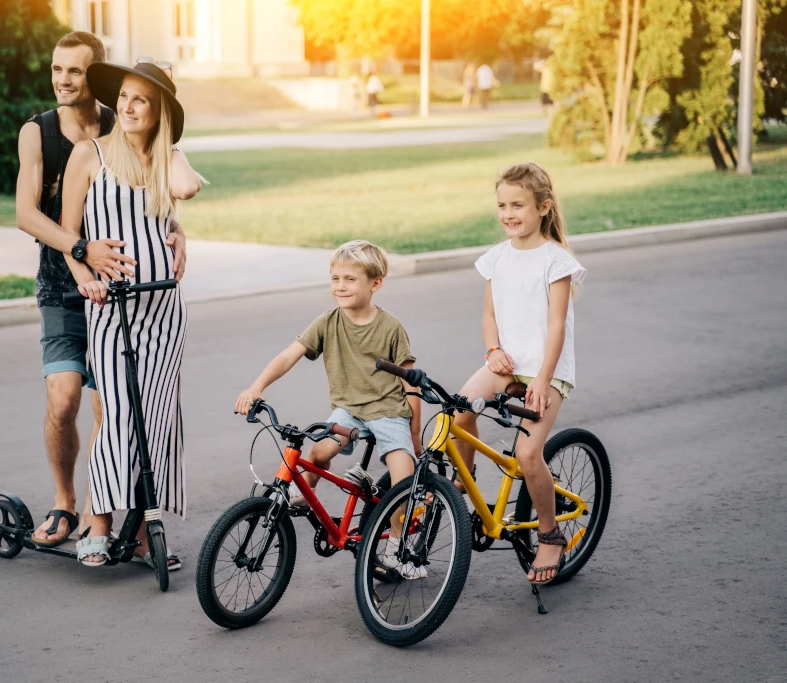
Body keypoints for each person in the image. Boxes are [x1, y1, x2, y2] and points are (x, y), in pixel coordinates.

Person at [15, 32, 189, 547]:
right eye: (56, 69)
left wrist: (177, 232)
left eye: (74, 71)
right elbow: (26, 215)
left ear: (96, 78)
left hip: (125, 292)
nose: (62, 80)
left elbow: (157, 194)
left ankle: (107, 517)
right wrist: (81, 252)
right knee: (65, 398)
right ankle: (65, 503)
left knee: (112, 407)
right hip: (64, 283)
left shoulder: (124, 120)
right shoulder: (40, 132)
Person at [60, 59, 202, 569]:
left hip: (164, 309)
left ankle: (142, 532)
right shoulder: (89, 155)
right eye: (123, 96)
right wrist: (85, 278)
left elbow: (186, 190)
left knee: (158, 421)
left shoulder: (165, 162)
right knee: (120, 415)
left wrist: (171, 144)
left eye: (142, 99)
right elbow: (68, 237)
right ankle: (98, 521)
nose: (127, 106)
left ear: (159, 108)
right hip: (111, 307)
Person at [235, 240, 426, 579]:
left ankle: (398, 550)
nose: (340, 286)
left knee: (404, 484)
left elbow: (411, 383)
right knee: (318, 449)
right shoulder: (327, 322)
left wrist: (413, 435)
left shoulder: (391, 327)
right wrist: (256, 386)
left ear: (375, 283)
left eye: (350, 279)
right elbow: (288, 356)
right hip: (348, 411)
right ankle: (305, 494)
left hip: (388, 411)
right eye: (335, 278)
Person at [452, 162, 586, 585]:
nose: (508, 214)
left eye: (518, 205)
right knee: (458, 412)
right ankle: (463, 488)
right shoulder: (496, 257)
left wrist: (543, 380)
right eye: (502, 205)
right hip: (506, 362)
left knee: (528, 455)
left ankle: (550, 534)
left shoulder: (556, 261)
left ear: (543, 208)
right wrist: (492, 351)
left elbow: (557, 326)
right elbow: (489, 315)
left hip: (546, 369)